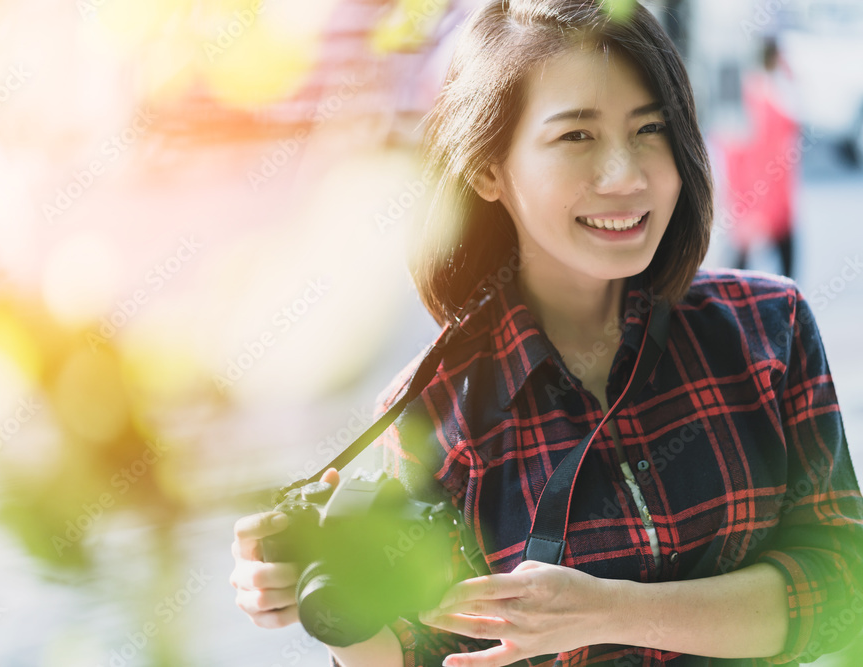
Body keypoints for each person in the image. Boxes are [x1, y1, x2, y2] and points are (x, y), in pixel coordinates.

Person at [230, 1, 863, 665]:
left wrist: (604, 610)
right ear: (488, 169)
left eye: (651, 129)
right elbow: (416, 652)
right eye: (576, 137)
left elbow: (843, 584)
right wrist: (337, 603)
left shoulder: (767, 330)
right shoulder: (433, 416)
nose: (626, 175)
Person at [720, 37, 801, 278]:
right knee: (778, 251)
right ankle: (789, 302)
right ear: (777, 58)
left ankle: (734, 300)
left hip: (759, 187)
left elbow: (731, 148)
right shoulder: (771, 97)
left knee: (748, 253)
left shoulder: (751, 93)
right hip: (769, 188)